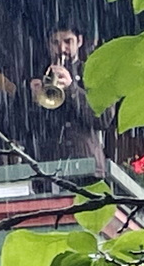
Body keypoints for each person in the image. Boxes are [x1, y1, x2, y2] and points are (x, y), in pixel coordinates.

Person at [26, 22, 106, 162]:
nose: (61, 49)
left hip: (86, 160)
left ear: (79, 41)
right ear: (48, 44)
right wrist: (32, 101)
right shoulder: (38, 76)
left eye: (68, 41)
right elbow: (21, 128)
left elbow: (102, 119)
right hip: (47, 161)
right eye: (55, 43)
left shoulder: (94, 73)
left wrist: (71, 89)